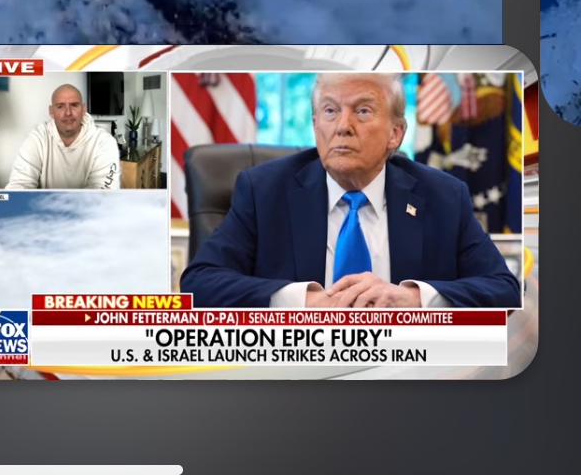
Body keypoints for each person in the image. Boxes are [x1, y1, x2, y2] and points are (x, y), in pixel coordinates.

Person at [181, 73, 521, 309]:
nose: (343, 126)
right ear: (316, 126)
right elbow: (200, 282)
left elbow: (503, 289)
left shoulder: (443, 196)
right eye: (330, 111)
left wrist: (412, 298)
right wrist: (306, 302)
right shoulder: (263, 190)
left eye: (362, 111)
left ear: (395, 133)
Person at [6, 82, 120, 190]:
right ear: (51, 111)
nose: (68, 113)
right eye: (60, 106)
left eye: (74, 105)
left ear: (83, 109)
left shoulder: (104, 142)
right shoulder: (37, 138)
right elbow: (19, 185)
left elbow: (104, 192)